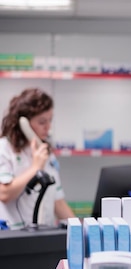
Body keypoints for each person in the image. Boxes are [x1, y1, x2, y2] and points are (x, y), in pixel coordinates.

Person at [0, 88, 75, 229]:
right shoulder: (4, 148)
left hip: (42, 236)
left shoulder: (47, 154)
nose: (48, 128)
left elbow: (58, 203)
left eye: (50, 121)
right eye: (42, 122)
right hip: (12, 238)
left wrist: (82, 230)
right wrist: (35, 167)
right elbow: (4, 194)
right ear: (23, 123)